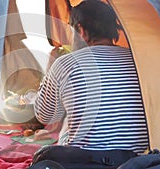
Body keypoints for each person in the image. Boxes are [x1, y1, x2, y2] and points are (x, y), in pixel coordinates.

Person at [31, 0, 149, 168]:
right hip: (135, 160)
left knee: (67, 124)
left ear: (81, 29)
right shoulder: (140, 62)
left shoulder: (66, 63)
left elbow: (46, 116)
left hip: (82, 160)